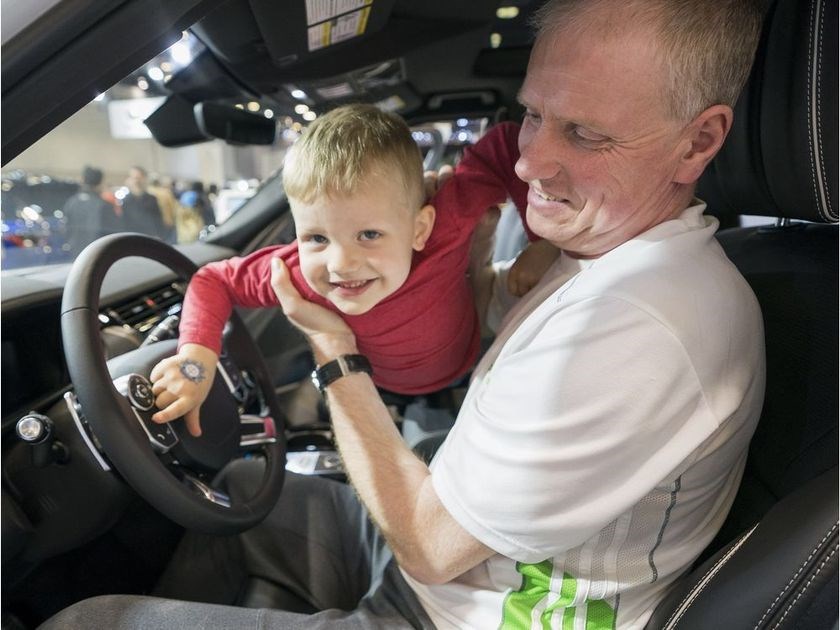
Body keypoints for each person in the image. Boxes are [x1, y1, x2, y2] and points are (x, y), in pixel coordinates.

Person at [39, 1, 766, 628]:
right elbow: (490, 174)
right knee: (232, 492)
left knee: (85, 623)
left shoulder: (648, 321)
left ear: (698, 142)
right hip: (455, 562)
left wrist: (335, 352)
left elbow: (429, 545)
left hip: (465, 610)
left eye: (584, 133)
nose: (528, 161)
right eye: (535, 116)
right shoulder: (608, 255)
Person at [149, 103, 553, 437]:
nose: (339, 265)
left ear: (419, 229)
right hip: (381, 389)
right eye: (316, 238)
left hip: (472, 359)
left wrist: (543, 241)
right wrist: (195, 359)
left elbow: (505, 144)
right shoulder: (291, 272)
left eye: (369, 234)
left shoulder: (444, 224)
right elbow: (212, 280)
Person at [60, 166, 119, 255]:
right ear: (100, 183)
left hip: (76, 255)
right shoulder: (104, 206)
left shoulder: (71, 203)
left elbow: (66, 229)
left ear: (83, 180)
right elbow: (113, 233)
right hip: (98, 254)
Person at [120, 165, 172, 242]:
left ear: (144, 178)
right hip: (133, 240)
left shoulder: (152, 199)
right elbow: (124, 224)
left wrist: (160, 236)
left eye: (138, 178)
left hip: (151, 239)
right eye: (133, 178)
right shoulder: (126, 201)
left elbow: (158, 220)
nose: (136, 181)